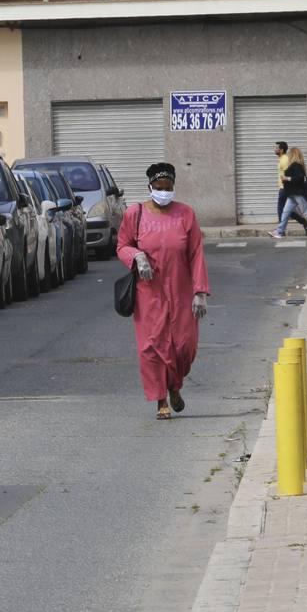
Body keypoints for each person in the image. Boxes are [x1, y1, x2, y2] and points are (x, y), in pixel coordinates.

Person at [117, 162, 211, 420]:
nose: (164, 192)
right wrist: (137, 257)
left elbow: (196, 254)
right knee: (152, 348)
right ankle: (161, 399)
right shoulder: (134, 215)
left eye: (168, 187)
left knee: (184, 346)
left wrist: (200, 292)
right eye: (159, 187)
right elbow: (122, 245)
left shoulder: (185, 214)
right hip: (149, 294)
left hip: (181, 292)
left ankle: (174, 385)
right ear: (149, 187)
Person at [270, 147, 307, 239]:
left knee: (306, 212)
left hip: (298, 193)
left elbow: (300, 179)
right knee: (285, 212)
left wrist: (287, 178)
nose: (288, 155)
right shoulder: (294, 165)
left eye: (290, 154)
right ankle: (280, 231)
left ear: (293, 155)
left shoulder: (296, 165)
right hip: (291, 194)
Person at [274, 141, 307, 233]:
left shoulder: (285, 160)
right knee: (286, 209)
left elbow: (291, 174)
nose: (274, 150)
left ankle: (281, 230)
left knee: (282, 209)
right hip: (283, 187)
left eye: (277, 148)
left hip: (285, 188)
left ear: (281, 150)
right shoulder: (282, 159)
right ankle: (303, 222)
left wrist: (286, 184)